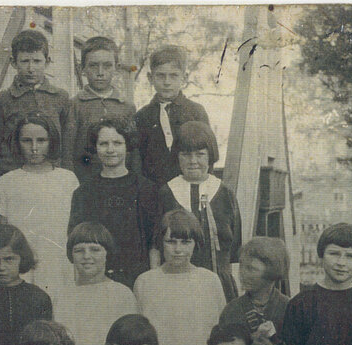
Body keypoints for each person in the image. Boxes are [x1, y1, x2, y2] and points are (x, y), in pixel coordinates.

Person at [134, 209, 226, 345]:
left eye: (185, 242)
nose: (178, 250)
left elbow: (221, 333)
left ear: (195, 244)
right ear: (161, 243)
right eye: (171, 242)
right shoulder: (145, 282)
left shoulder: (210, 280)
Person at [0, 112, 79, 300]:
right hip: (23, 264)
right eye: (26, 141)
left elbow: (74, 230)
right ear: (17, 143)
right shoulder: (7, 181)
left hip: (58, 263)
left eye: (41, 141)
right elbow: (4, 230)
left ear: (52, 142)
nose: (34, 148)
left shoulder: (67, 179)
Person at [67, 117, 158, 288]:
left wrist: (151, 282)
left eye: (117, 143)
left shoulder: (146, 188)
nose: (110, 150)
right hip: (96, 279)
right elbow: (77, 243)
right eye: (103, 144)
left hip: (137, 278)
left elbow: (154, 243)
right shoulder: (83, 193)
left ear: (127, 146)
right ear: (95, 147)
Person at [159, 120, 242, 301]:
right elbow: (155, 246)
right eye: (186, 155)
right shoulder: (167, 193)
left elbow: (235, 248)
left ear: (210, 156)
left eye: (200, 154)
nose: (193, 161)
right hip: (176, 285)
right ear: (177, 156)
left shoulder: (224, 193)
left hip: (219, 285)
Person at [57, 223, 137, 345]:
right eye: (79, 250)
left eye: (94, 249)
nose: (87, 256)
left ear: (107, 253)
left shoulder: (122, 294)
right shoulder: (62, 296)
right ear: (71, 255)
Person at [219, 236, 292, 345]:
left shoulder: (290, 309)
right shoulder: (232, 311)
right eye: (242, 267)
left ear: (272, 273)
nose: (242, 274)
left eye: (251, 269)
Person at [0, 29, 69, 179]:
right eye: (25, 61)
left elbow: (66, 144)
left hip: (52, 176)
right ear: (14, 62)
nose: (31, 68)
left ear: (47, 62)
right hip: (14, 176)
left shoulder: (60, 98)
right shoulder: (2, 99)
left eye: (37, 61)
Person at [62, 37, 138, 184]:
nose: (100, 72)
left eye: (107, 66)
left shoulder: (126, 107)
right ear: (82, 68)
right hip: (85, 182)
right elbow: (67, 153)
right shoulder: (74, 105)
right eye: (93, 66)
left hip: (120, 182)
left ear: (116, 67)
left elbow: (134, 154)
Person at [135, 45, 210, 185]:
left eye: (173, 75)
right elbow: (138, 160)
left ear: (184, 78)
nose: (167, 82)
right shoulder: (142, 116)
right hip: (154, 191)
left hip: (190, 186)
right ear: (150, 78)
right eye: (161, 75)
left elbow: (208, 155)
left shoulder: (196, 112)